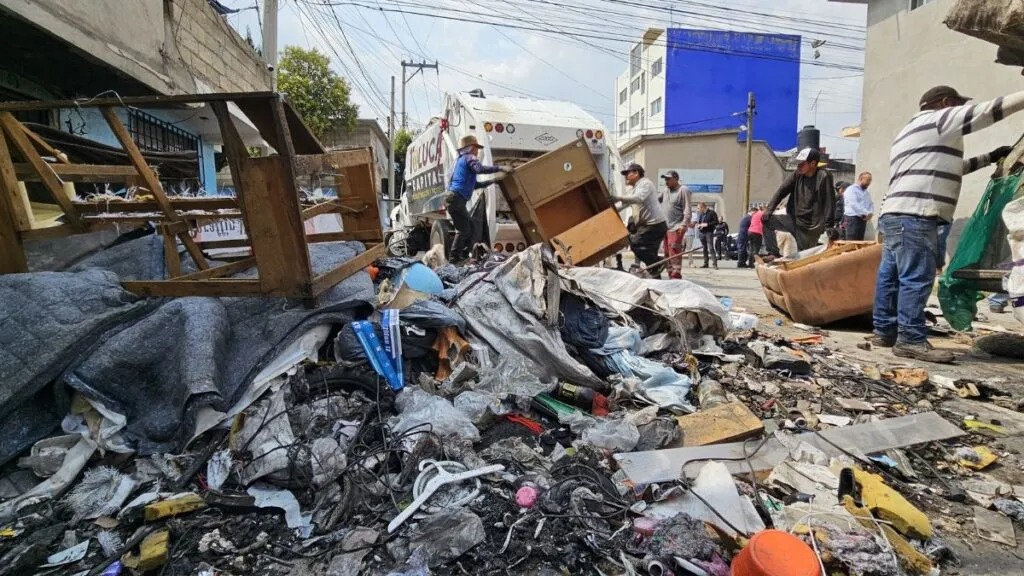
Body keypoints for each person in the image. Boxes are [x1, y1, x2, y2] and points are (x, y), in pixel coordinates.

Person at [873, 85, 1021, 363]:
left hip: (896, 214)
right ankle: (911, 340)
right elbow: (987, 111)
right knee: (916, 279)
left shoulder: (911, 131)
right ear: (945, 103)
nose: (959, 110)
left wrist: (988, 157)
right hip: (916, 214)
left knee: (890, 277)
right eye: (957, 105)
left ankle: (885, 332)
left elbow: (953, 167)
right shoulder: (938, 120)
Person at [762, 148, 836, 257]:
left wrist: (829, 225)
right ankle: (773, 254)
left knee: (806, 256)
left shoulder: (823, 176)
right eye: (798, 164)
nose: (798, 166)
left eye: (802, 164)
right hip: (795, 221)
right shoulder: (797, 174)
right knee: (767, 220)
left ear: (813, 163)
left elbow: (830, 202)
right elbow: (782, 191)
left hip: (813, 226)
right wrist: (769, 210)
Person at [446, 135, 506, 262]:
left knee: (467, 227)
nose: (477, 151)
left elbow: (475, 185)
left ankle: (461, 255)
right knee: (465, 229)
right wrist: (499, 168)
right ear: (470, 148)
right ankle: (455, 258)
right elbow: (479, 169)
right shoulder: (469, 158)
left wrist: (493, 181)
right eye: (476, 147)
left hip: (453, 199)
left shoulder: (460, 161)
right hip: (456, 199)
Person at [612, 162, 668, 277]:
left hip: (654, 225)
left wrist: (617, 198)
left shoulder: (645, 184)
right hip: (648, 225)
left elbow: (638, 198)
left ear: (636, 173)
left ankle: (658, 263)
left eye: (627, 173)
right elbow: (623, 204)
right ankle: (656, 274)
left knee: (635, 243)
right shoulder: (634, 189)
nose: (625, 177)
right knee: (648, 254)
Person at [660, 170, 691, 279]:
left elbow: (687, 208)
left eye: (668, 179)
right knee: (667, 253)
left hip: (677, 227)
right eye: (665, 179)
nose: (666, 181)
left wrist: (684, 224)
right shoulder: (665, 191)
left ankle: (676, 277)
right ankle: (670, 275)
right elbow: (656, 201)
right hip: (666, 227)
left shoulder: (683, 190)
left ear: (676, 179)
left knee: (674, 251)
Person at [842, 172, 875, 241]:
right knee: (851, 242)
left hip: (862, 219)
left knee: (860, 242)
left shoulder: (866, 192)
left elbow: (870, 204)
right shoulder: (851, 190)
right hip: (852, 219)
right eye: (868, 179)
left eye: (870, 180)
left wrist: (870, 213)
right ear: (860, 179)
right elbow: (854, 204)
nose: (869, 182)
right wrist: (867, 213)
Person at [696, 202, 720, 269]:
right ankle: (705, 263)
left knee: (711, 248)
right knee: (704, 248)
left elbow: (716, 222)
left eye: (698, 208)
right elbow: (700, 222)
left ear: (702, 207)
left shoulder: (712, 213)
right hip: (702, 233)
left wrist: (707, 224)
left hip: (709, 233)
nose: (697, 210)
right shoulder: (701, 214)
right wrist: (699, 225)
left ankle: (715, 264)